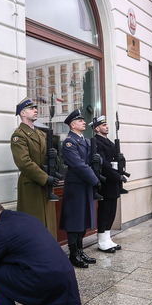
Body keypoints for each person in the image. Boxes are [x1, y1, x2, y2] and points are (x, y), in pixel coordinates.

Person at [9, 97, 57, 237]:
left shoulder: (42, 134)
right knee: (34, 226)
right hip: (32, 187)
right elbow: (24, 162)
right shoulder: (19, 136)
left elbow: (52, 160)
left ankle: (49, 254)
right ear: (22, 113)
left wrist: (55, 157)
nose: (35, 110)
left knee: (48, 226)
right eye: (31, 108)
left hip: (45, 185)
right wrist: (45, 177)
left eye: (35, 108)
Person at [59, 109, 100, 268]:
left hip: (85, 184)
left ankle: (80, 251)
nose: (84, 122)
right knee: (74, 221)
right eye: (80, 120)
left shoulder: (86, 140)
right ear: (72, 124)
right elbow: (78, 165)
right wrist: (95, 180)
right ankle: (74, 254)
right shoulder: (69, 142)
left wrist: (98, 159)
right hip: (76, 186)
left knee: (82, 220)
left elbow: (91, 160)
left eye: (83, 120)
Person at [91, 115, 123, 253]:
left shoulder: (109, 142)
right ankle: (101, 240)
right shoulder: (96, 142)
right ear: (97, 128)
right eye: (104, 125)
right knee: (104, 211)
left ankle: (107, 238)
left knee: (111, 211)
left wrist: (122, 161)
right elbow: (103, 163)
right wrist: (118, 176)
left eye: (107, 125)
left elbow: (115, 159)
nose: (107, 126)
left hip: (113, 182)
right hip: (106, 181)